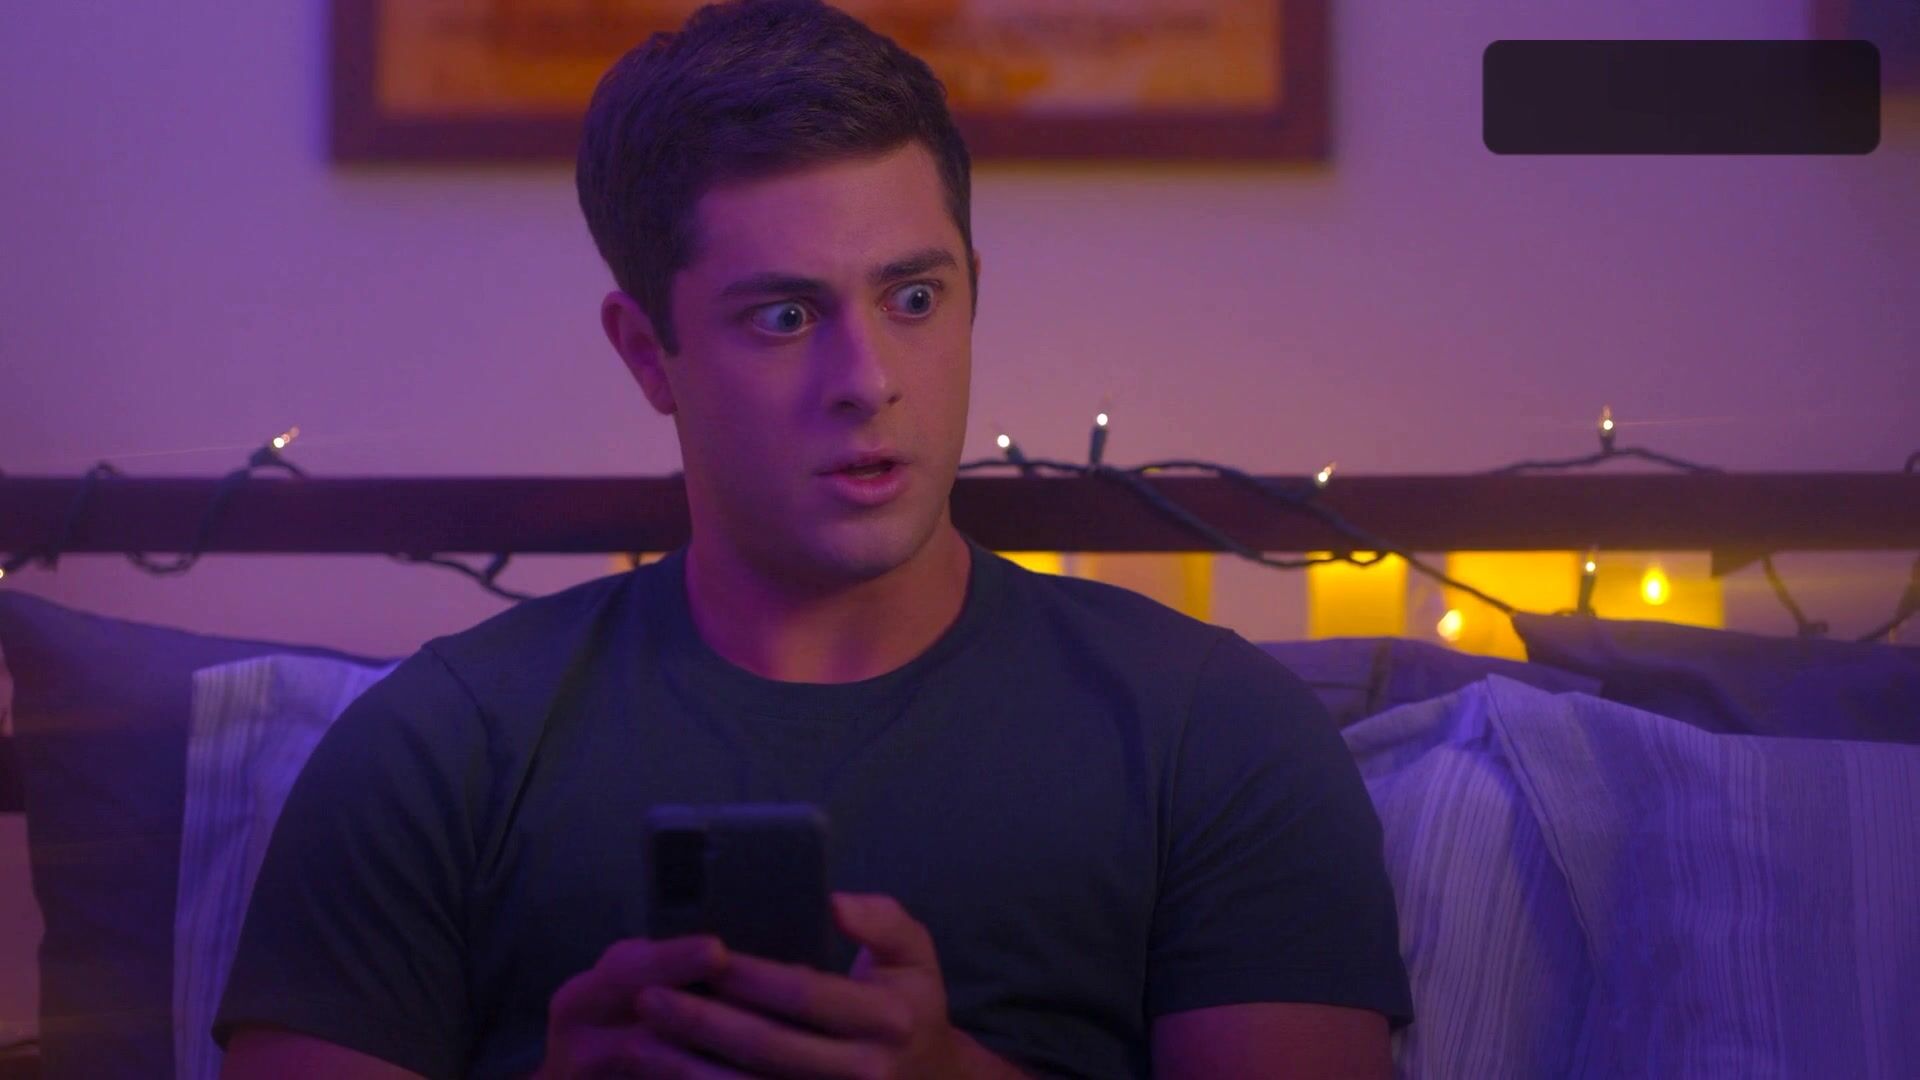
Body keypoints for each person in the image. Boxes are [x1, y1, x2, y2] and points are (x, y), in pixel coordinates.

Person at [216, 1, 1412, 1076]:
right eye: (785, 316)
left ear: (973, 292)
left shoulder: (1213, 731)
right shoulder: (441, 748)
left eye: (914, 298)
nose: (868, 379)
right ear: (648, 354)